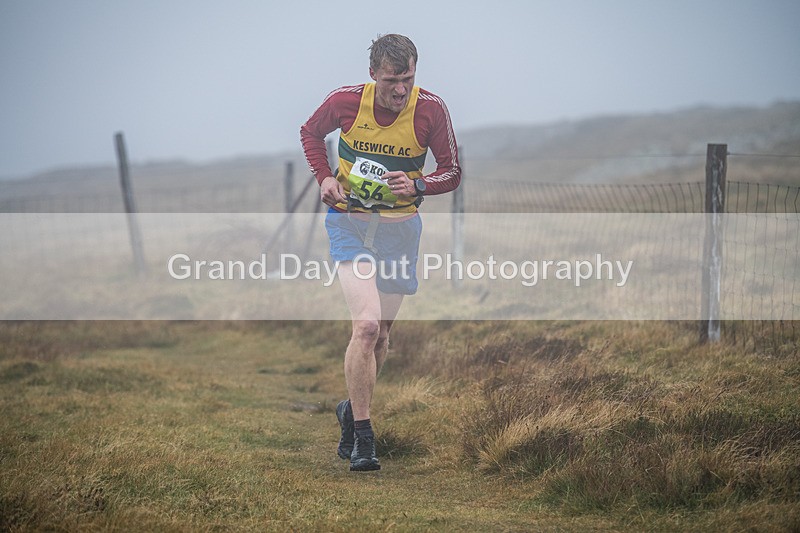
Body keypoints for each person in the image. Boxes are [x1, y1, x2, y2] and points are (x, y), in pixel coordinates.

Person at [300, 34, 460, 471]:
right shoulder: (345, 102)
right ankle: (364, 440)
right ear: (374, 75)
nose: (401, 90)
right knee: (367, 326)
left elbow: (453, 171)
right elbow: (310, 133)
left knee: (384, 337)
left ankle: (350, 411)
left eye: (408, 78)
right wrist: (324, 178)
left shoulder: (431, 109)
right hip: (350, 223)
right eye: (392, 80)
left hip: (400, 232)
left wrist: (421, 183)